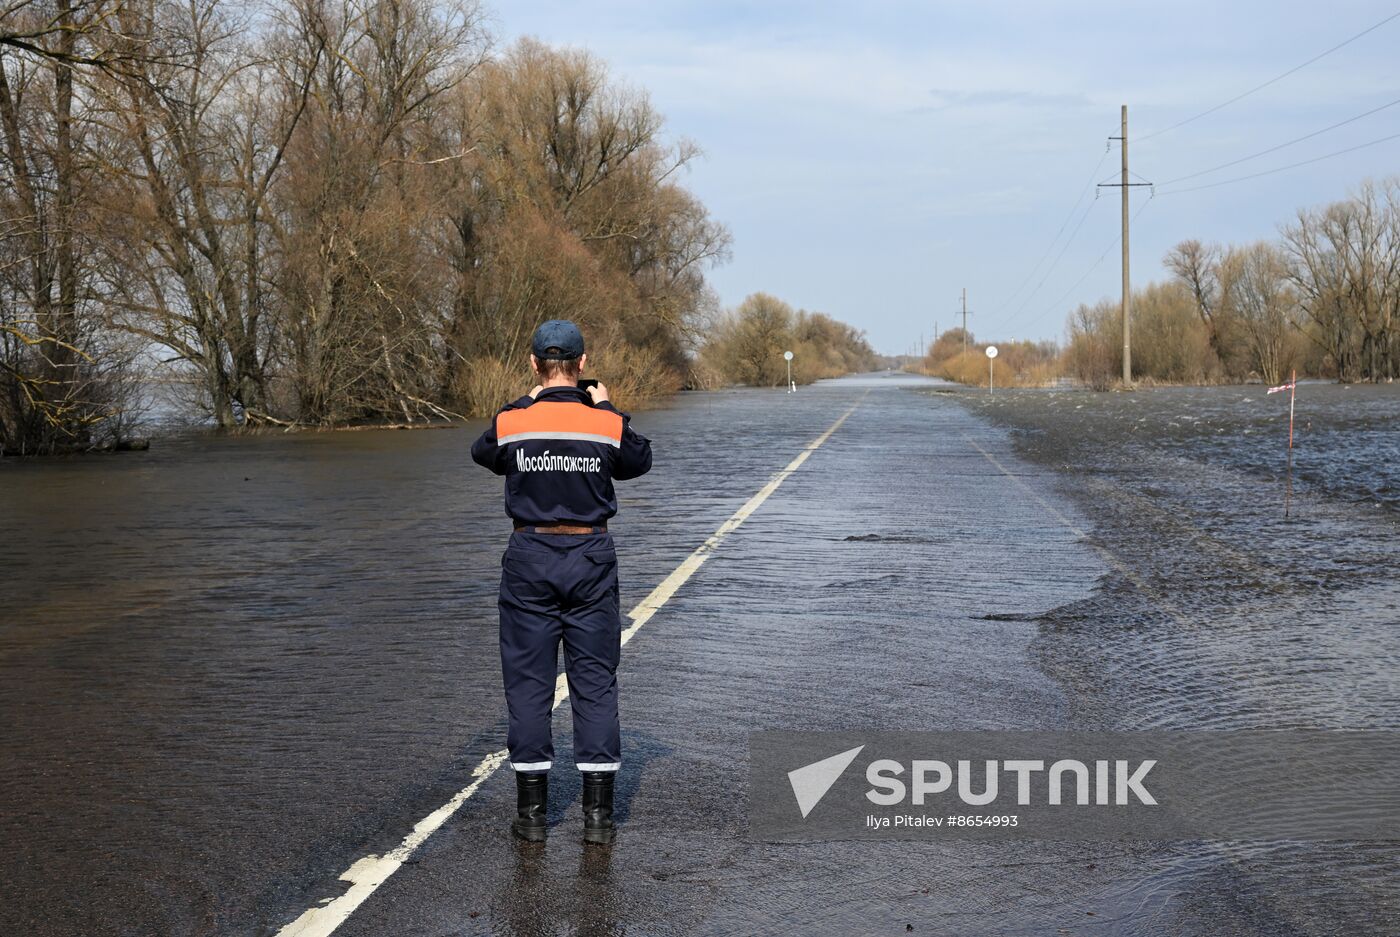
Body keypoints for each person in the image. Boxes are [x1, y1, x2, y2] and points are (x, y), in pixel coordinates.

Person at [470, 320, 652, 844]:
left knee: (528, 682)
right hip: (590, 554)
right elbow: (639, 459)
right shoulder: (604, 423)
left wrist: (525, 404)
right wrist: (606, 409)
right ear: (583, 362)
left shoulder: (513, 421)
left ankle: (531, 819)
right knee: (594, 682)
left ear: (533, 364)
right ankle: (597, 820)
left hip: (528, 555)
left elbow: (482, 453)